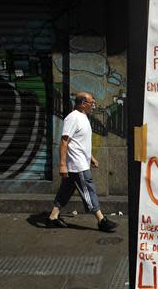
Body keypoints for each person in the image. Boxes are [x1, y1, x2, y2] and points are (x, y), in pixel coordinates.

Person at [46, 92, 118, 232]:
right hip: (77, 165)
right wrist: (62, 164)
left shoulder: (83, 117)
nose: (93, 106)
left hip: (80, 163)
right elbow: (64, 142)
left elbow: (80, 142)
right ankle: (101, 220)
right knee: (89, 191)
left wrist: (91, 157)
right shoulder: (72, 118)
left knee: (65, 191)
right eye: (92, 103)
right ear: (83, 103)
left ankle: (52, 217)